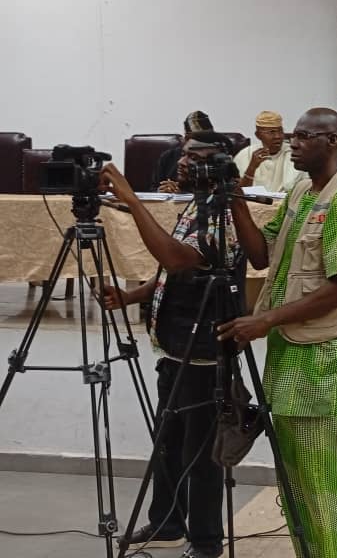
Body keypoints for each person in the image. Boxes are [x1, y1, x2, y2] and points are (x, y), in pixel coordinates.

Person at [219, 108, 337, 558]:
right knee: (295, 483)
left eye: (306, 137)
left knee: (321, 484)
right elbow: (260, 255)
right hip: (290, 355)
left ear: (333, 141)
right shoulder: (302, 191)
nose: (294, 145)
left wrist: (264, 320)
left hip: (321, 360)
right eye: (294, 136)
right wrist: (234, 199)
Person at [101, 131, 239, 558]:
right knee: (168, 443)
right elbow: (174, 273)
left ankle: (206, 541)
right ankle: (167, 523)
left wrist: (132, 200)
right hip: (175, 347)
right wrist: (132, 296)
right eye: (183, 153)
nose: (182, 160)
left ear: (216, 165)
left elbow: (178, 258)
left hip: (204, 353)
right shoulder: (194, 205)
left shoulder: (224, 214)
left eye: (193, 156)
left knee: (201, 454)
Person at [232, 110, 303, 193]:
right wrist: (252, 167)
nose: (278, 136)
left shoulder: (293, 153)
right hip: (253, 200)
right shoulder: (244, 155)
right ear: (258, 135)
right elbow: (238, 193)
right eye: (271, 132)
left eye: (280, 131)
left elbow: (296, 186)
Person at [150, 110, 214, 192]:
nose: (180, 162)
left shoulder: (216, 161)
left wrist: (181, 193)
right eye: (188, 138)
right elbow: (153, 189)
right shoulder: (168, 157)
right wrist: (162, 191)